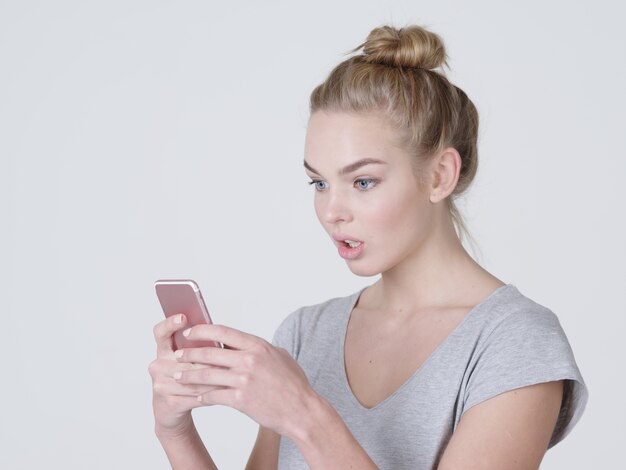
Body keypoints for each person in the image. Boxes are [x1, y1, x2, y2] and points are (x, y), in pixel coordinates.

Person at [148, 24, 588, 469]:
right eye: (319, 182)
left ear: (439, 175)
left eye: (363, 181)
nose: (331, 211)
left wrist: (306, 416)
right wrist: (177, 434)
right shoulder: (305, 334)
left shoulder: (513, 342)